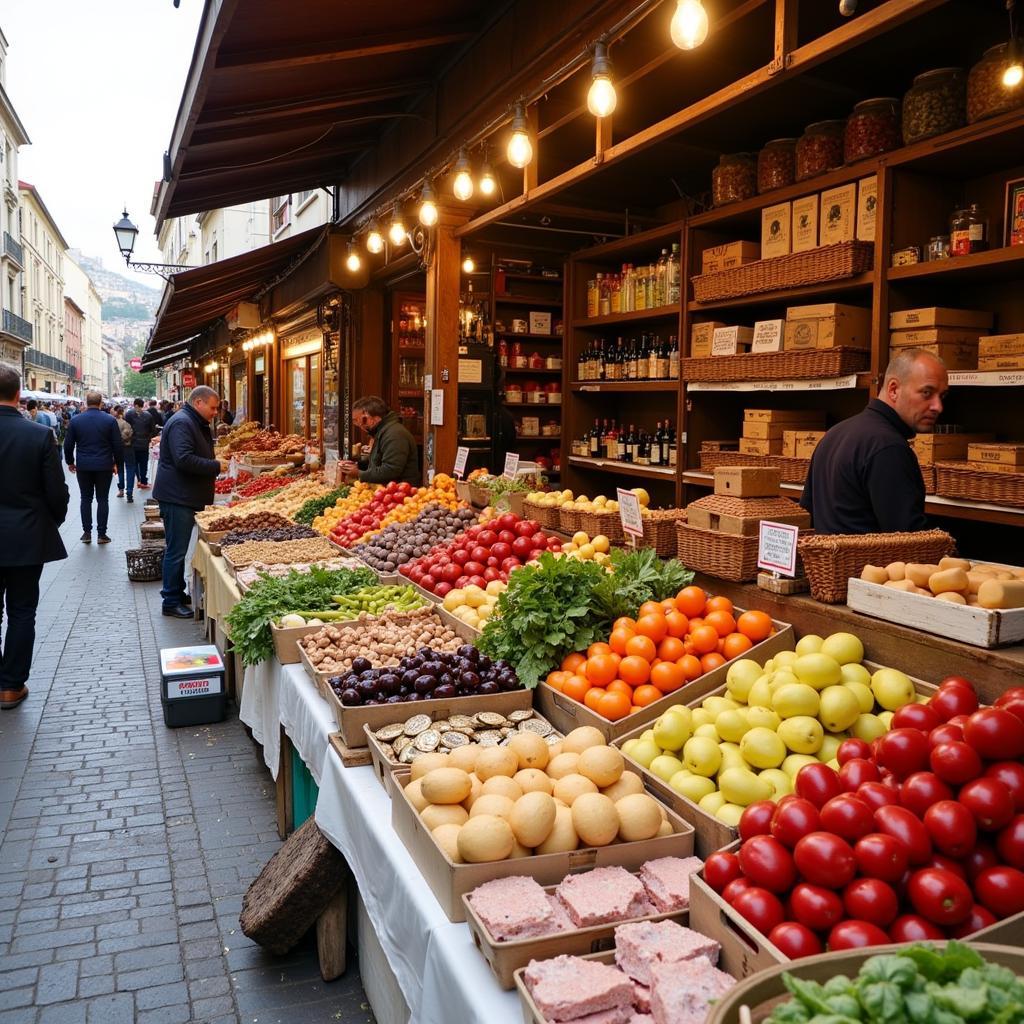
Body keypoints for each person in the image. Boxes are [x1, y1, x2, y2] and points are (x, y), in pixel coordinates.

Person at [800, 348, 949, 535]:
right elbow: (909, 541)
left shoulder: (834, 434)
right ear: (893, 389)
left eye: (942, 396)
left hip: (829, 563)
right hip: (868, 564)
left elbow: (806, 514)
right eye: (927, 393)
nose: (938, 407)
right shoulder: (888, 448)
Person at [0, 368, 69, 709]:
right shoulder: (38, 435)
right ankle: (11, 685)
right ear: (18, 396)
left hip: (23, 534)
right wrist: (49, 522)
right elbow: (57, 491)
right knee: (22, 610)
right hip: (26, 536)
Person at [153, 386, 227, 618]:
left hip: (184, 495)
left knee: (179, 548)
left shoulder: (190, 421)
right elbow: (183, 459)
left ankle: (176, 592)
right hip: (178, 497)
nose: (216, 412)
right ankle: (170, 600)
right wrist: (216, 465)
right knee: (176, 550)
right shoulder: (183, 423)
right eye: (213, 407)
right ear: (198, 403)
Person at [63, 391, 124, 544]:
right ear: (101, 402)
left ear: (85, 402)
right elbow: (117, 445)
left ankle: (86, 532)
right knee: (103, 499)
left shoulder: (76, 421)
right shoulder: (110, 420)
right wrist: (117, 463)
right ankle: (102, 534)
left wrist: (70, 461)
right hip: (104, 465)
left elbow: (68, 444)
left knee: (86, 498)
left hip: (83, 465)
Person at [339, 396, 420, 486]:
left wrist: (359, 473)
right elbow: (378, 460)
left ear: (373, 418)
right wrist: (358, 465)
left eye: (360, 420)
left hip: (398, 493)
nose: (359, 425)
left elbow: (390, 470)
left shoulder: (395, 434)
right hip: (387, 492)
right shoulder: (384, 431)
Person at [125, 397, 156, 490]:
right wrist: (148, 438)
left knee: (134, 463)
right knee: (143, 463)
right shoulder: (148, 415)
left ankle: (138, 479)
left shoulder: (129, 414)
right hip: (144, 444)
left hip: (132, 444)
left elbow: (126, 429)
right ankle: (143, 481)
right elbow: (153, 430)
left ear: (135, 405)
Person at [112, 406, 135, 499]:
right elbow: (128, 434)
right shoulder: (125, 423)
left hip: (117, 449)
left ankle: (121, 490)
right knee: (130, 469)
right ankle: (129, 492)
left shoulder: (111, 423)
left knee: (120, 469)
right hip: (127, 448)